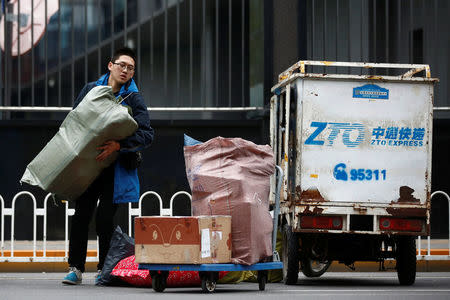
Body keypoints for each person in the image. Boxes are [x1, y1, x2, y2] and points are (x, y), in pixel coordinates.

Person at [62, 47, 154, 285]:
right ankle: (75, 268)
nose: (125, 70)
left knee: (104, 218)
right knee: (82, 213)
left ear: (133, 73)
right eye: (122, 65)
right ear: (110, 65)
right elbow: (74, 120)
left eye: (130, 68)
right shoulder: (92, 90)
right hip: (89, 165)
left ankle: (104, 268)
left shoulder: (134, 98)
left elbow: (147, 134)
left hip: (116, 168)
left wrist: (119, 145)